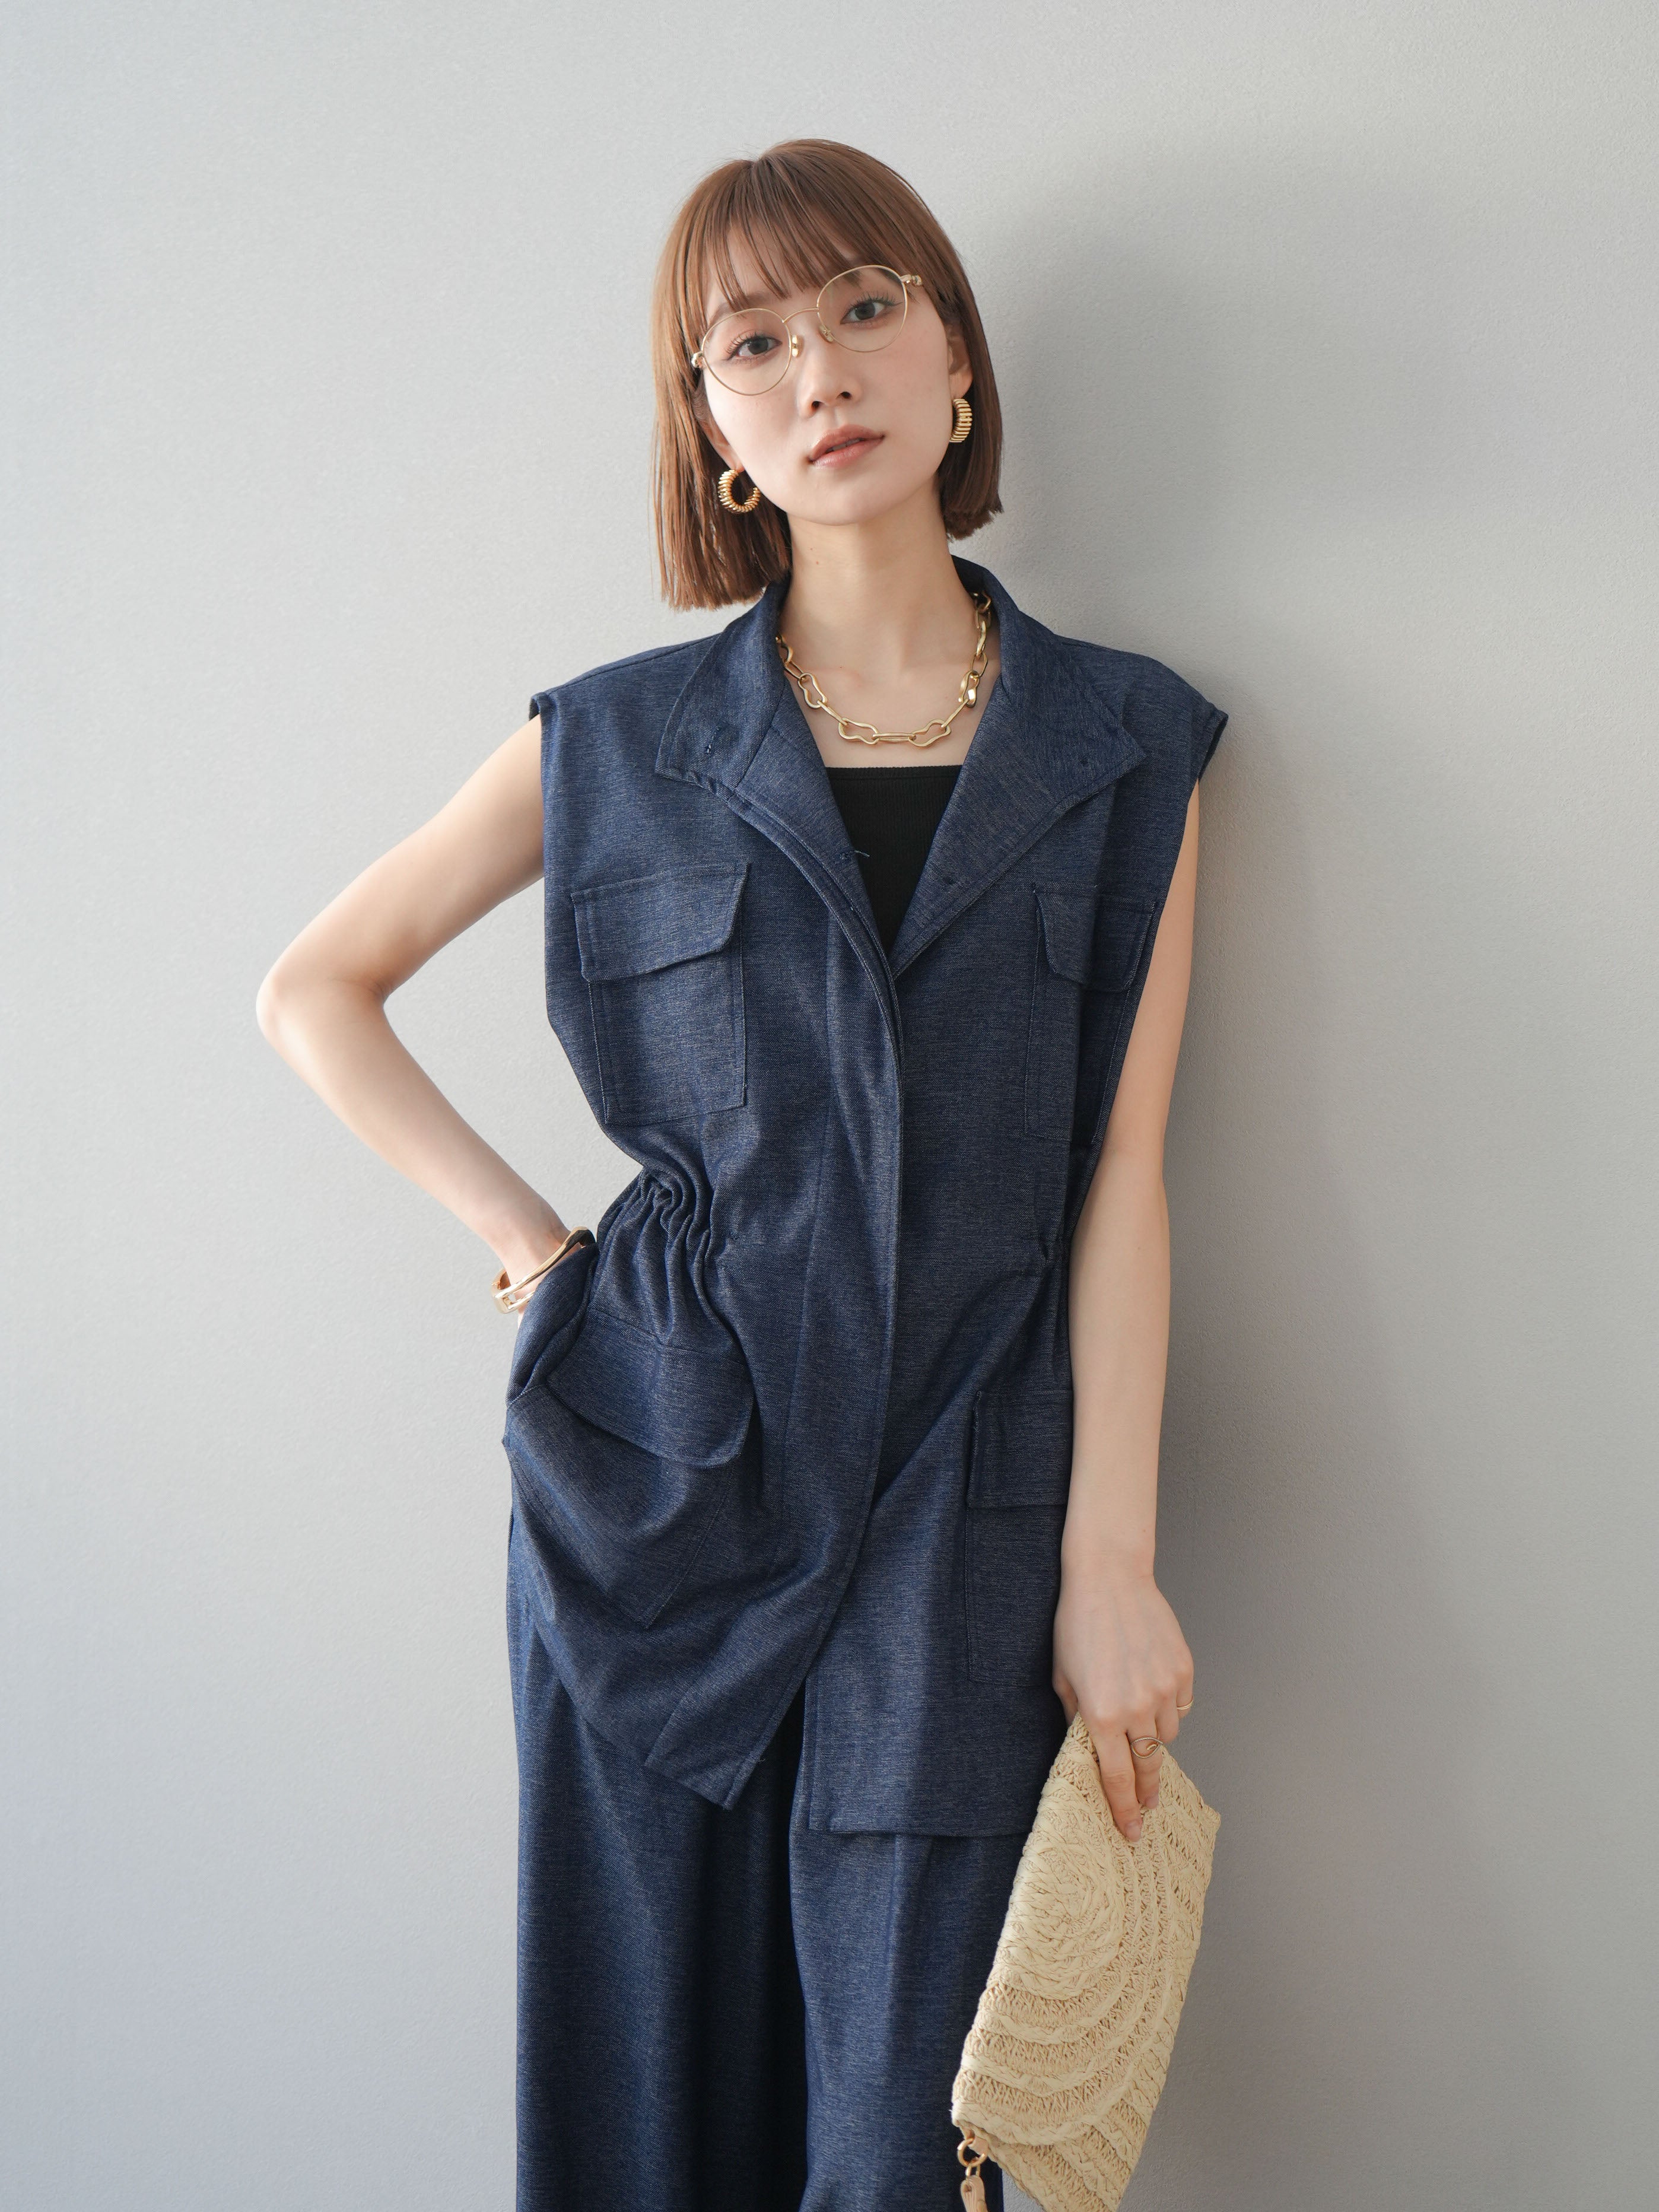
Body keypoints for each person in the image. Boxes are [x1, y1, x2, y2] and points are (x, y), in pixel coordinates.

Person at [257, 138, 1226, 2212]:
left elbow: (1123, 1174)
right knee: (644, 2112)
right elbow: (315, 989)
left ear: (956, 363)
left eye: (868, 307)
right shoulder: (611, 743)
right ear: (708, 431)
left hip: (969, 1491)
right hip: (656, 1482)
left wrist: (1110, 1560)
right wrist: (535, 1254)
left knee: (912, 2143)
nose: (821, 374)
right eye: (751, 345)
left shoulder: (1125, 746)